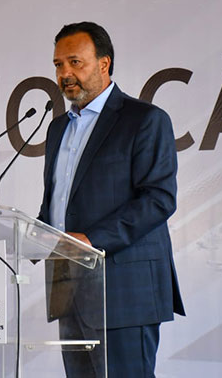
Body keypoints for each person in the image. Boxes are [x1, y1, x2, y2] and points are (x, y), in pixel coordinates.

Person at [38, 21, 185, 377]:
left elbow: (158, 199)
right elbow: (58, 203)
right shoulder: (58, 128)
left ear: (103, 64)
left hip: (124, 292)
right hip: (69, 290)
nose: (65, 73)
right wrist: (31, 235)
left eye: (75, 62)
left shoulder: (144, 120)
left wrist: (91, 240)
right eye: (58, 64)